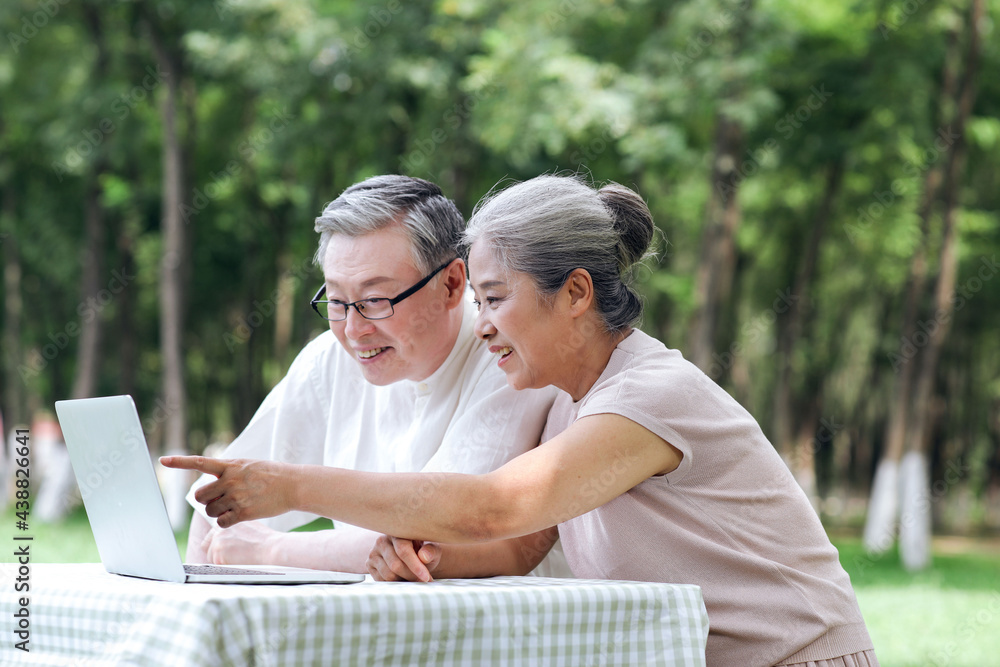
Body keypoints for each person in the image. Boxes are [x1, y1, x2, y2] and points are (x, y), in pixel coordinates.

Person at [165, 175, 878, 666]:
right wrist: (425, 553)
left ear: (574, 294)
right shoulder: (569, 398)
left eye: (496, 299)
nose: (481, 325)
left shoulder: (649, 395)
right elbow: (518, 539)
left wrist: (292, 488)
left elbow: (494, 506)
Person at [182, 174, 568, 577]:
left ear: (452, 284)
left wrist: (273, 550)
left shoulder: (509, 354)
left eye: (374, 301)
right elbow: (218, 503)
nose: (353, 330)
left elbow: (444, 530)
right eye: (336, 301)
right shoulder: (329, 360)